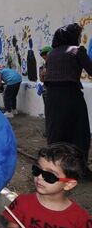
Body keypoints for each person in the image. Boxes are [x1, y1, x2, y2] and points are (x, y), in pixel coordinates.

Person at [3, 143, 92, 228]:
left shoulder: (81, 217)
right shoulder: (23, 202)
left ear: (68, 184)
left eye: (49, 176)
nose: (39, 177)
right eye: (37, 170)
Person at [44, 23, 92, 173]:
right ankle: (80, 168)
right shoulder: (77, 51)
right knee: (80, 132)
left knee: (56, 132)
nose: (79, 39)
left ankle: (54, 167)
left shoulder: (52, 54)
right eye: (78, 36)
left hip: (51, 96)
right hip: (70, 94)